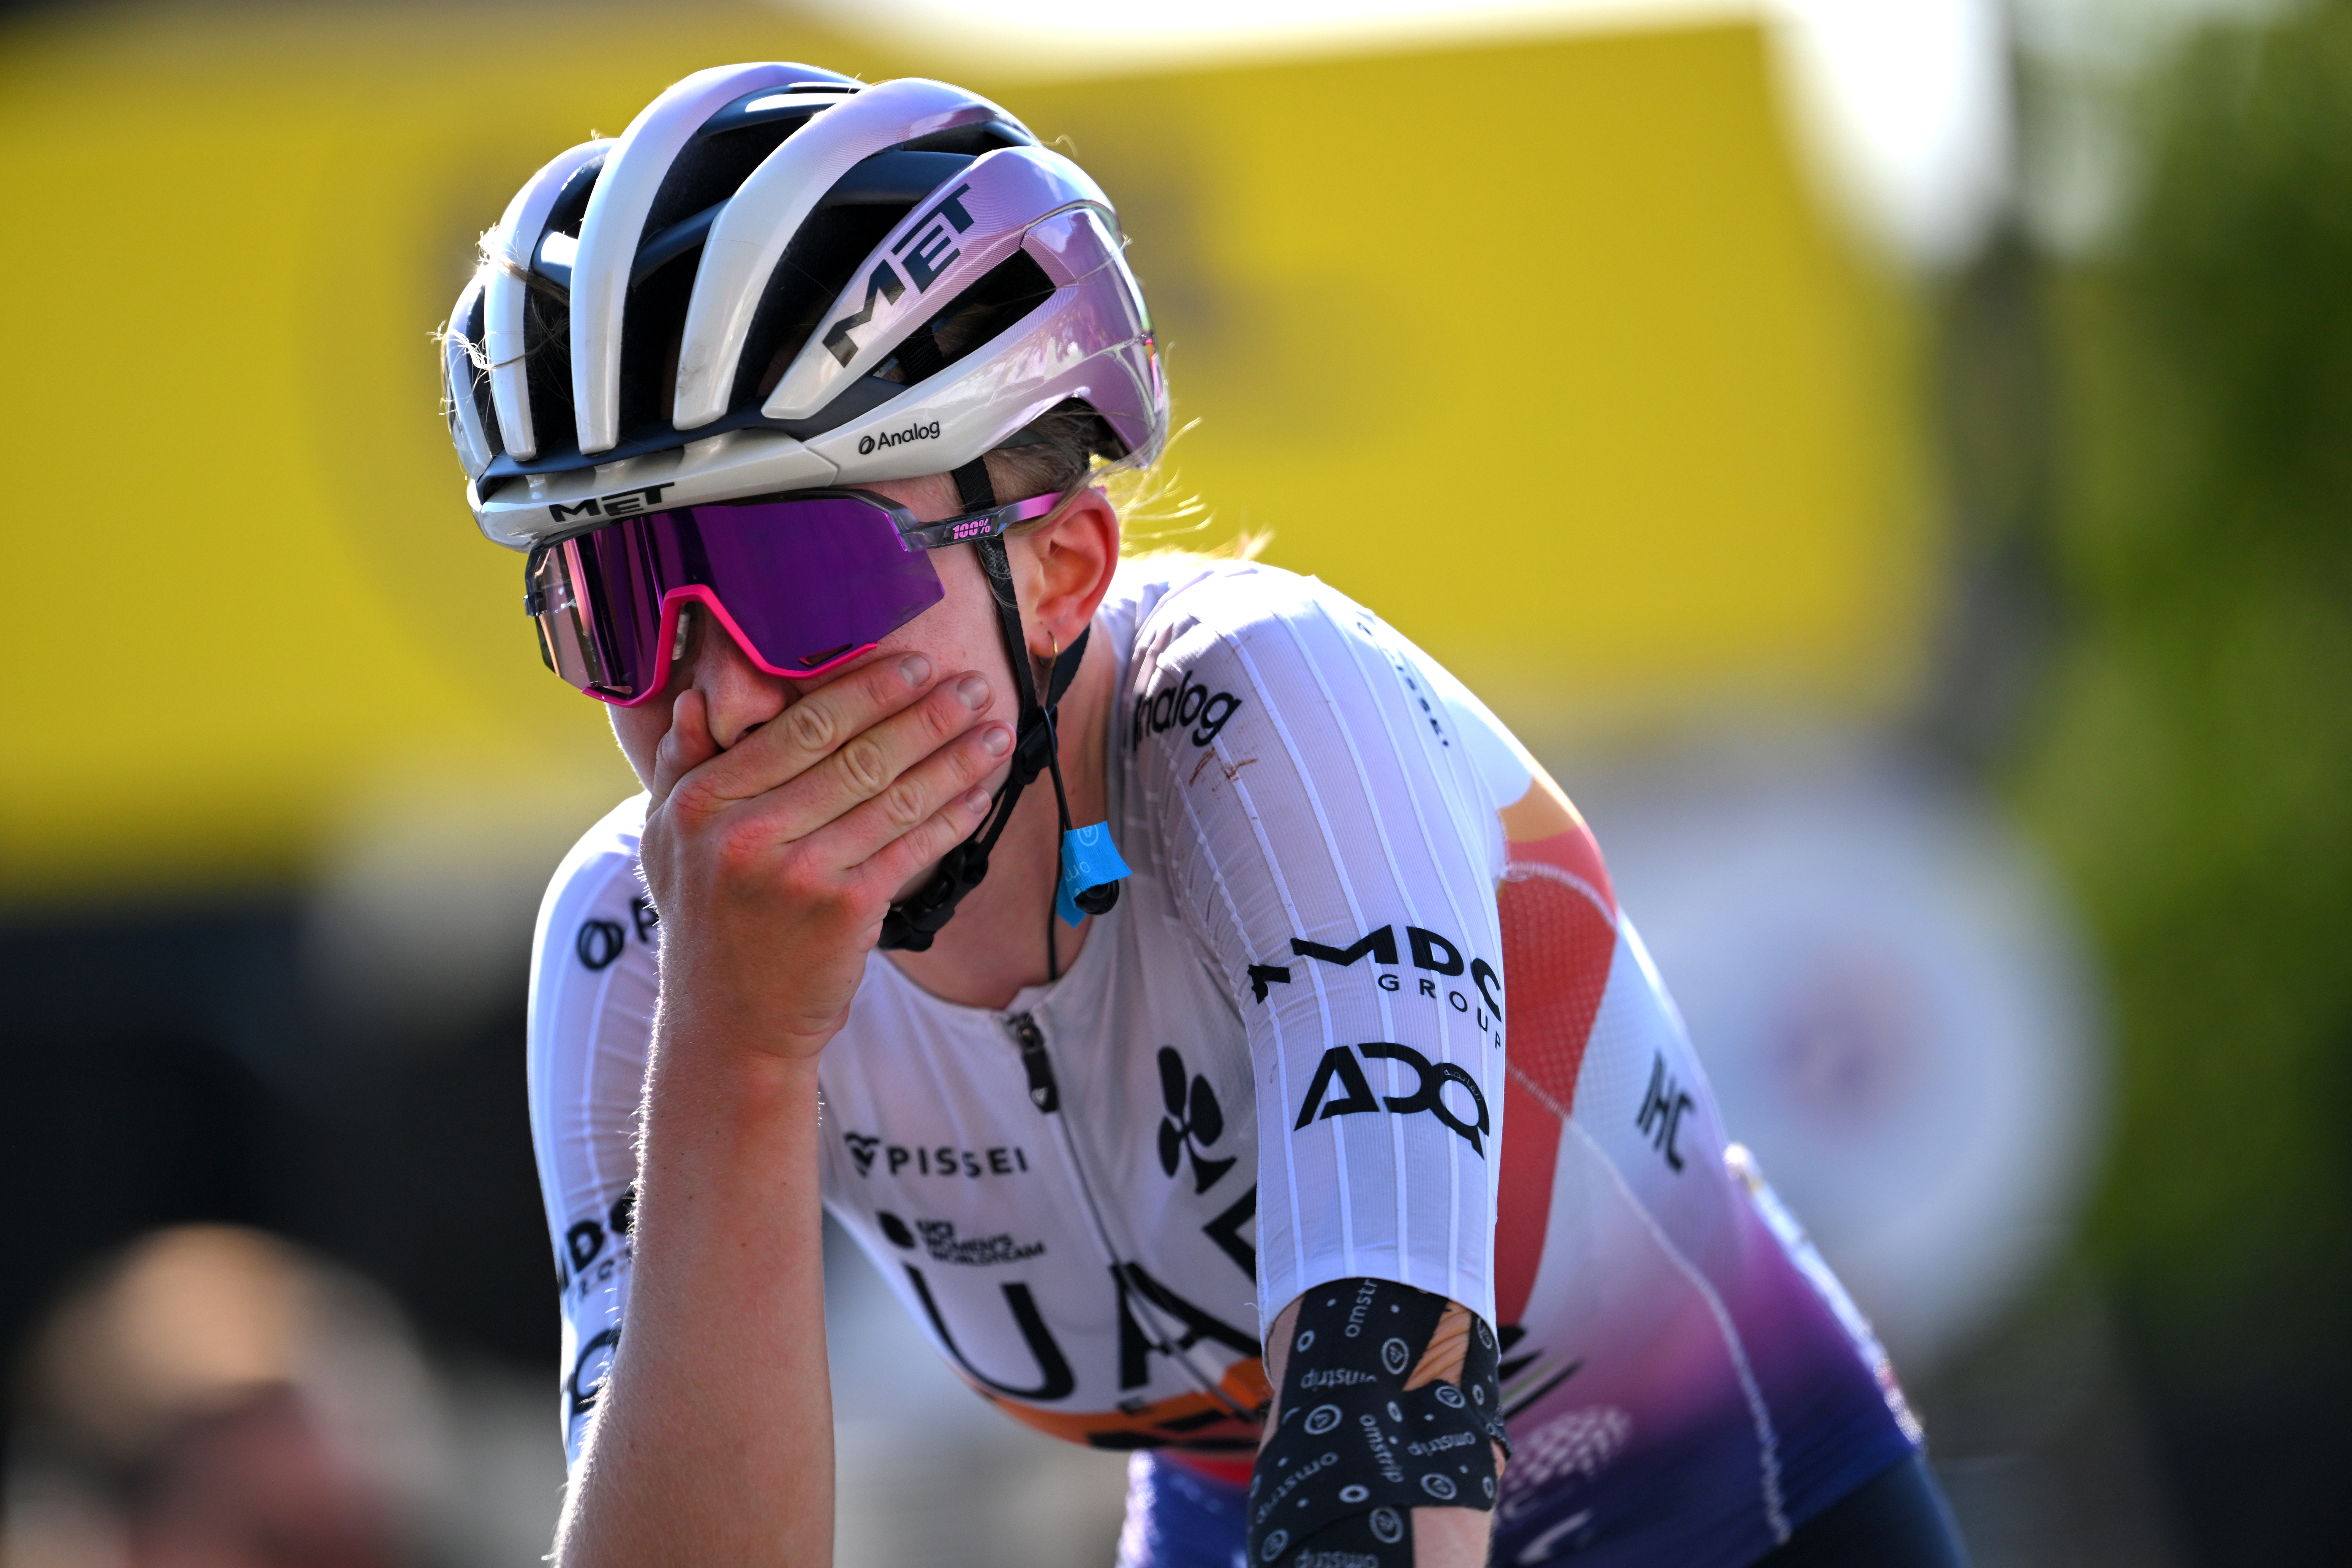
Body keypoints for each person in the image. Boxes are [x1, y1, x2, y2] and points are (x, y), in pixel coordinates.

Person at [442, 63, 1970, 1567]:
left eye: (796, 582)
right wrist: (740, 1057)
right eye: (617, 601)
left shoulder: (1272, 721)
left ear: (1058, 573)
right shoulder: (636, 950)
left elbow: (1386, 1473)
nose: (713, 703)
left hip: (1743, 1508)